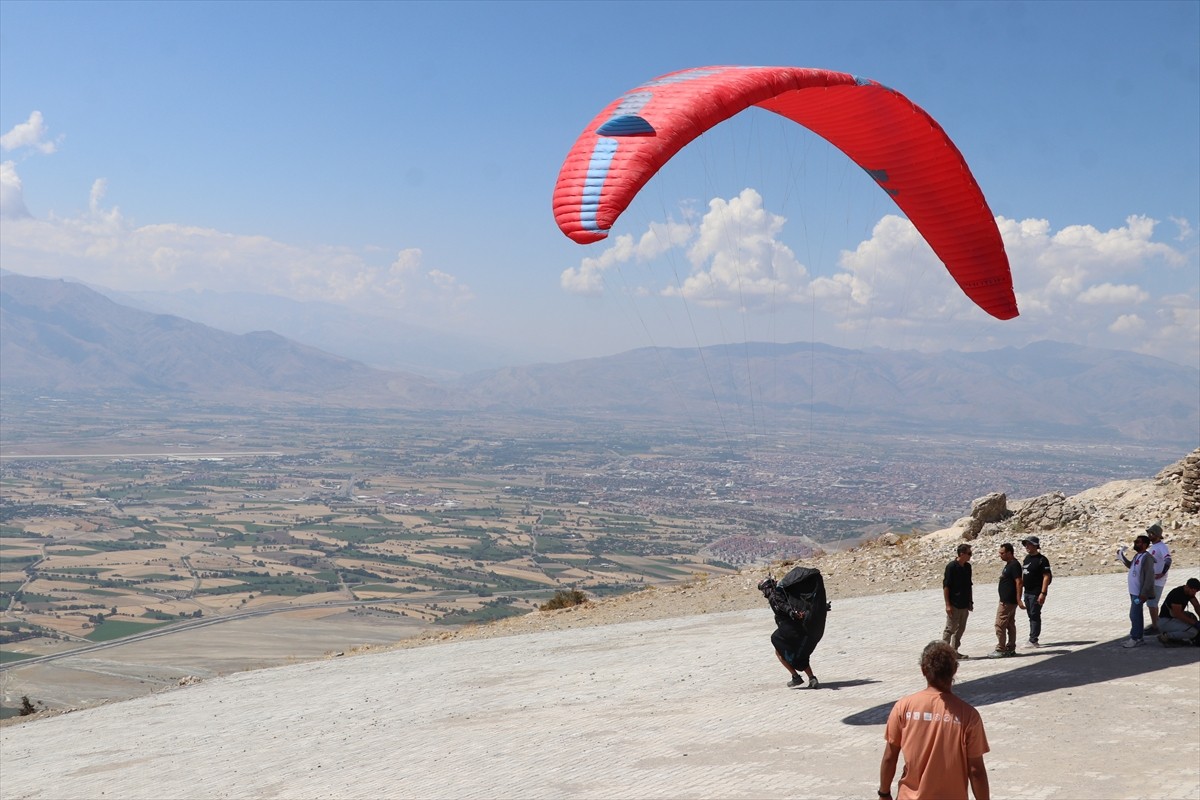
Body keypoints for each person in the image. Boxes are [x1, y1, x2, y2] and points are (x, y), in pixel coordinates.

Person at [878, 640, 990, 800]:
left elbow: (890, 757)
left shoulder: (904, 707)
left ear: (923, 670)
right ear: (954, 670)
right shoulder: (969, 716)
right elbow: (976, 770)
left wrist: (884, 793)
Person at [758, 573, 823, 689]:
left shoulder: (774, 596)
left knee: (778, 646)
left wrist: (791, 613)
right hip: (799, 627)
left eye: (763, 590)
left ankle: (796, 677)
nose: (764, 593)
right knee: (799, 653)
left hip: (790, 629)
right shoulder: (784, 592)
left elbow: (784, 606)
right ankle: (811, 677)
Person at [1117, 533, 1156, 648]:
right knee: (1137, 614)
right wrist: (1122, 557)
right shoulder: (1137, 556)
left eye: (1138, 542)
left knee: (1133, 614)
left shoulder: (1147, 558)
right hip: (1133, 592)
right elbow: (1131, 566)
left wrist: (1144, 594)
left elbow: (1149, 577)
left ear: (1144, 545)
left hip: (1140, 594)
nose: (1135, 543)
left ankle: (1135, 638)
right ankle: (1139, 638)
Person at [1018, 536, 1051, 648]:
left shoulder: (1042, 560)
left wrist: (1043, 593)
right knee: (1030, 615)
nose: (1027, 546)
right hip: (1027, 592)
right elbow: (1024, 575)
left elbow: (1046, 576)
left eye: (1029, 544)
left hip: (1036, 592)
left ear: (1036, 545)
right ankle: (1032, 637)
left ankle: (1033, 640)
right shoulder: (1027, 559)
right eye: (1025, 544)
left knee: (1034, 614)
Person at [989, 543, 1022, 657]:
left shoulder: (1014, 565)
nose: (1000, 555)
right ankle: (1010, 647)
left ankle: (1001, 648)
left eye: (1002, 553)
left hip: (1008, 601)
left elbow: (1019, 582)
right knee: (1009, 624)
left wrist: (1018, 599)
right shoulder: (1009, 564)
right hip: (1007, 600)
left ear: (1009, 553)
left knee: (1000, 624)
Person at [942, 544, 973, 658]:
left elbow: (969, 585)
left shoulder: (967, 567)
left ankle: (954, 651)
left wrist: (970, 601)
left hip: (964, 604)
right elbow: (946, 586)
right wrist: (947, 604)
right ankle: (944, 653)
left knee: (960, 629)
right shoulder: (951, 567)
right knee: (950, 628)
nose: (970, 556)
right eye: (969, 553)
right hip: (954, 603)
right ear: (962, 554)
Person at [1156, 577, 1200, 646]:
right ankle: (1166, 636)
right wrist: (1195, 623)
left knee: (1191, 616)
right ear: (1188, 587)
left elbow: (1197, 606)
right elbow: (1178, 614)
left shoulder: (1189, 593)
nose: (1194, 594)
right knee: (1193, 631)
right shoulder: (1177, 594)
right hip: (1165, 621)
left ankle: (1177, 637)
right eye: (1193, 591)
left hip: (1172, 618)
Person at [1145, 523, 1172, 634]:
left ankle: (1156, 626)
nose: (1149, 535)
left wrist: (1162, 573)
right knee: (1151, 603)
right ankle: (1155, 624)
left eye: (1151, 533)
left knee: (1152, 603)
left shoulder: (1162, 547)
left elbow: (1168, 560)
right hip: (1152, 579)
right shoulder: (1154, 547)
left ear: (1156, 535)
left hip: (1158, 580)